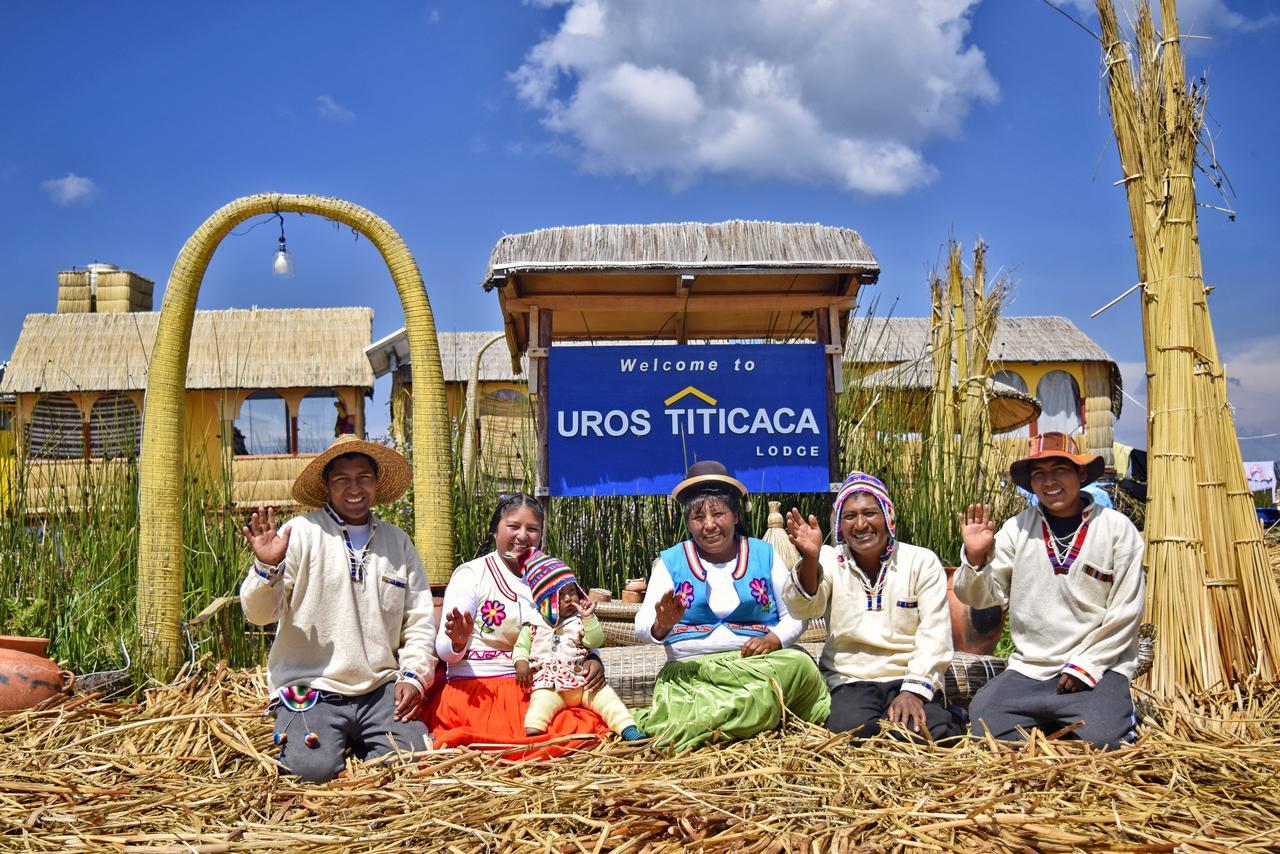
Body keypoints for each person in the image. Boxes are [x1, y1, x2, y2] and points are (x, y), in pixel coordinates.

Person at [239, 434, 434, 783]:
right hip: (311, 686)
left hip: (379, 688)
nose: (354, 488)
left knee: (415, 759)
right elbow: (259, 614)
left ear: (376, 484)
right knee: (310, 770)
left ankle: (360, 739)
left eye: (363, 477)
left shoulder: (397, 541)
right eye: (342, 479)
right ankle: (331, 741)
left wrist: (414, 676)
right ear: (327, 486)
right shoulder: (299, 533)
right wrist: (267, 568)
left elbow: (419, 618)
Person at [956, 432, 1146, 749]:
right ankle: (1052, 727)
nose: (1050, 481)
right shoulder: (1017, 529)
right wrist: (976, 557)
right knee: (984, 723)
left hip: (1095, 669)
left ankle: (1086, 721)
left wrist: (1087, 664)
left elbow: (1127, 610)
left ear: (1080, 474)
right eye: (1039, 474)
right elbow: (981, 597)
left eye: (1060, 469)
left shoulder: (1115, 528)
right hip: (1032, 669)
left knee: (1103, 740)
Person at [633, 461, 830, 750]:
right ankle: (746, 720)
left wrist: (775, 638)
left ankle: (710, 722)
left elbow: (796, 613)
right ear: (689, 523)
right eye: (698, 517)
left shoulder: (763, 554)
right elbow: (641, 626)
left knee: (800, 664)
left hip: (756, 668)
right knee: (749, 694)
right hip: (693, 675)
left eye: (718, 514)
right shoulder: (671, 562)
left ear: (736, 515)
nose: (709, 525)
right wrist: (661, 624)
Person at [427, 494, 611, 755]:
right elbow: (445, 651)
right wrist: (457, 641)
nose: (522, 536)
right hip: (481, 692)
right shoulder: (472, 575)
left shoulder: (552, 574)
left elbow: (575, 622)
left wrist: (594, 657)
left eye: (532, 529)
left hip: (543, 687)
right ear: (495, 530)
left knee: (585, 730)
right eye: (513, 526)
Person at [783, 472, 960, 742]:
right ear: (840, 524)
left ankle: (947, 715)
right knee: (851, 731)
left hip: (906, 676)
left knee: (931, 733)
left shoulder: (920, 561)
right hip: (851, 679)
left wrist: (912, 692)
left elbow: (935, 634)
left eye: (870, 513)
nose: (861, 524)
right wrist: (810, 557)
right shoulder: (830, 559)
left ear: (888, 517)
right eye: (850, 516)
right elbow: (804, 608)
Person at [514, 551, 646, 741]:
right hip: (550, 686)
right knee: (538, 709)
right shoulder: (533, 624)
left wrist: (588, 618)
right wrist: (521, 664)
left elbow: (595, 641)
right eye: (560, 595)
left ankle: (628, 729)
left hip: (583, 683)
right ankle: (535, 737)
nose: (569, 598)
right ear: (544, 600)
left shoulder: (579, 621)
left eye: (572, 591)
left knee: (608, 700)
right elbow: (520, 647)